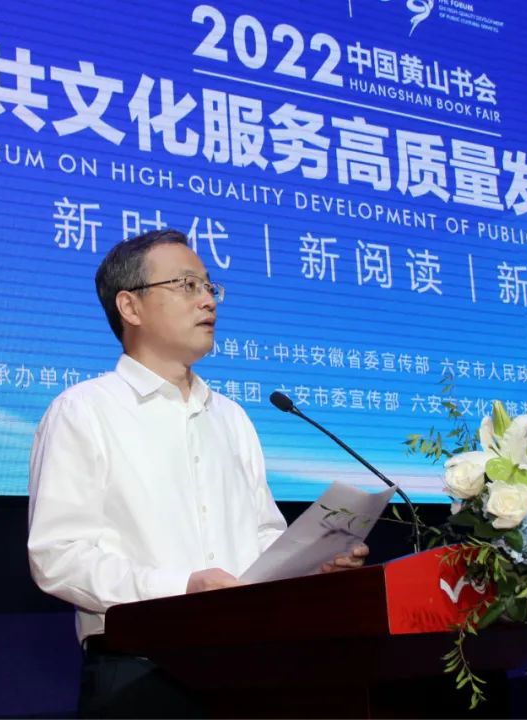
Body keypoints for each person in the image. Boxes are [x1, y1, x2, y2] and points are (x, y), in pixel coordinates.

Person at [27, 229, 368, 717]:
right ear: (130, 306)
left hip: (251, 665)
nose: (208, 300)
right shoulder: (83, 411)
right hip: (141, 671)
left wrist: (313, 564)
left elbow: (261, 537)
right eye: (186, 285)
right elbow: (58, 557)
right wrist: (182, 587)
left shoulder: (231, 417)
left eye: (209, 286)